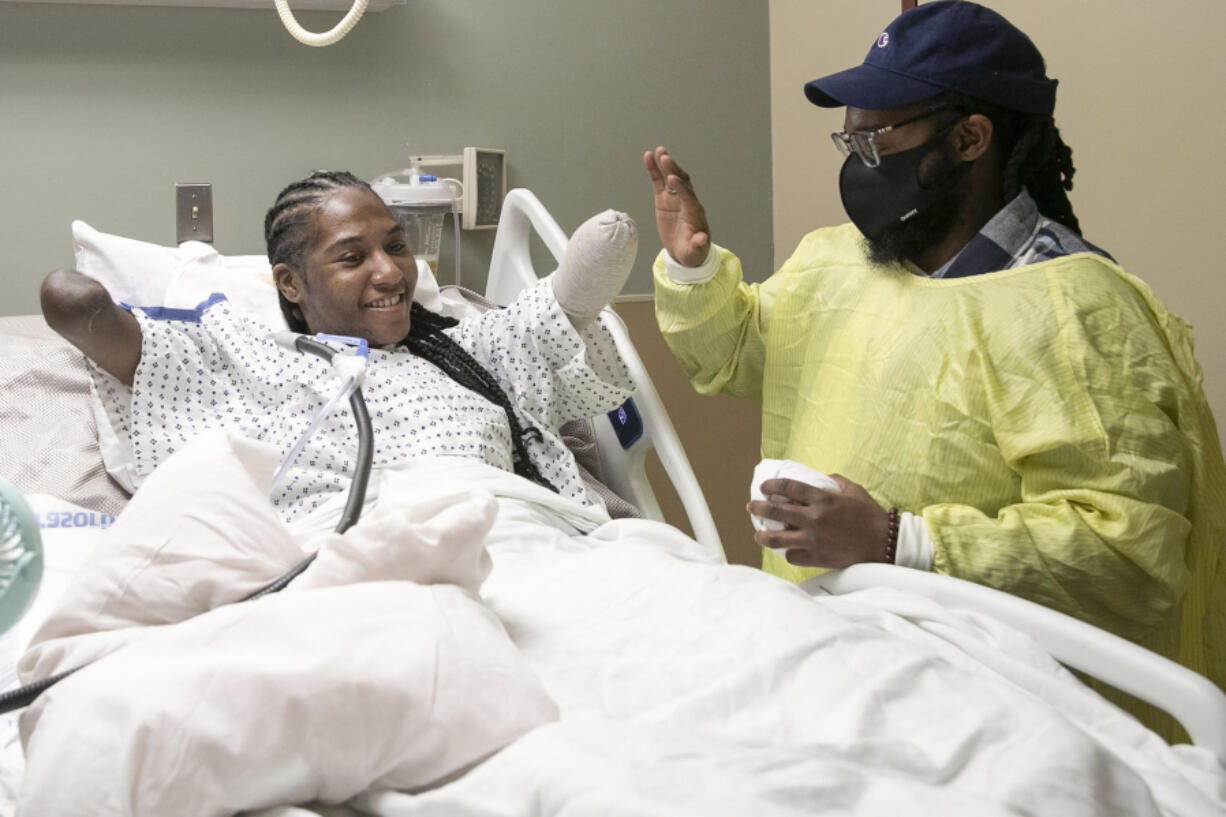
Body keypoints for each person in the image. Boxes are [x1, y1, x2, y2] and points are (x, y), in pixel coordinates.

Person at [645, 1, 1225, 735]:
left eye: (874, 141)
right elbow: (742, 353)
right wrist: (693, 271)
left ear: (971, 137)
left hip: (987, 715)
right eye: (848, 140)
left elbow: (1125, 552)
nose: (856, 163)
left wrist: (900, 541)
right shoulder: (837, 264)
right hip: (824, 665)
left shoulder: (1074, 312)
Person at [40, 170, 640, 525]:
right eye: (353, 258)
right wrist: (92, 306)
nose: (390, 272)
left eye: (396, 246)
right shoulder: (250, 359)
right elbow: (75, 307)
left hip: (509, 534)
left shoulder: (461, 350)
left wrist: (583, 277)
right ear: (290, 284)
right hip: (351, 560)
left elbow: (542, 325)